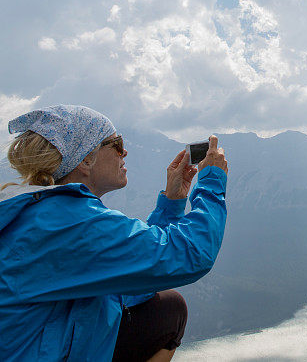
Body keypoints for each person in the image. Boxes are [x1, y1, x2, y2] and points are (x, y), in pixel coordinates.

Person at [0, 104, 228, 361]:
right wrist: (211, 183)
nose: (125, 152)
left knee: (167, 310)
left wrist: (172, 201)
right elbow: (190, 255)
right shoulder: (68, 223)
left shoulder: (46, 213)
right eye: (117, 144)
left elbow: (136, 279)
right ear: (86, 159)